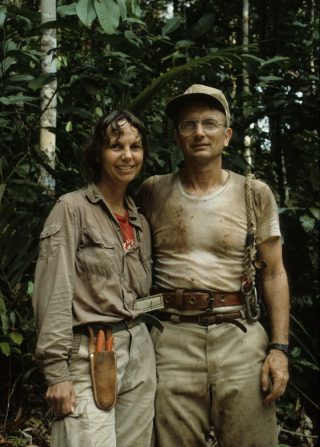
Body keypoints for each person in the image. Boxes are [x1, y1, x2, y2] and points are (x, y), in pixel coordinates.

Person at [137, 84, 290, 447]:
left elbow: (274, 272)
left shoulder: (253, 193)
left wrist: (280, 350)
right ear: (177, 136)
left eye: (209, 123)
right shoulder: (152, 191)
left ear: (227, 134)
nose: (199, 132)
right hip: (171, 338)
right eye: (188, 125)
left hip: (239, 336)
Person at [32, 110, 158, 447]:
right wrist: (57, 373)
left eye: (136, 146)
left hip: (139, 348)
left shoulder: (140, 219)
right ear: (99, 154)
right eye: (116, 146)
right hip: (90, 351)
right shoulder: (71, 209)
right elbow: (53, 291)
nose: (128, 156)